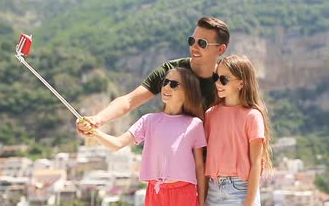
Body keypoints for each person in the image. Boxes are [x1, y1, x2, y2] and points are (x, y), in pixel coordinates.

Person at [77, 68, 207, 206]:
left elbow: (199, 167)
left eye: (173, 84)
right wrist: (94, 132)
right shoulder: (149, 120)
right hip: (156, 192)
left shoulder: (195, 124)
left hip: (185, 194)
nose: (166, 87)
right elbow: (118, 144)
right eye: (165, 82)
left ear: (187, 91)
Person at [76, 16, 229, 131]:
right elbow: (129, 100)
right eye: (192, 41)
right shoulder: (171, 71)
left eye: (202, 43)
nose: (194, 48)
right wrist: (97, 119)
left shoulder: (228, 78)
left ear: (220, 49)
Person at [204, 54, 273, 206]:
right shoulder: (210, 115)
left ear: (241, 83)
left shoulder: (252, 116)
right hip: (216, 188)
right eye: (216, 77)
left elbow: (256, 164)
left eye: (224, 79)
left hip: (243, 190)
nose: (218, 82)